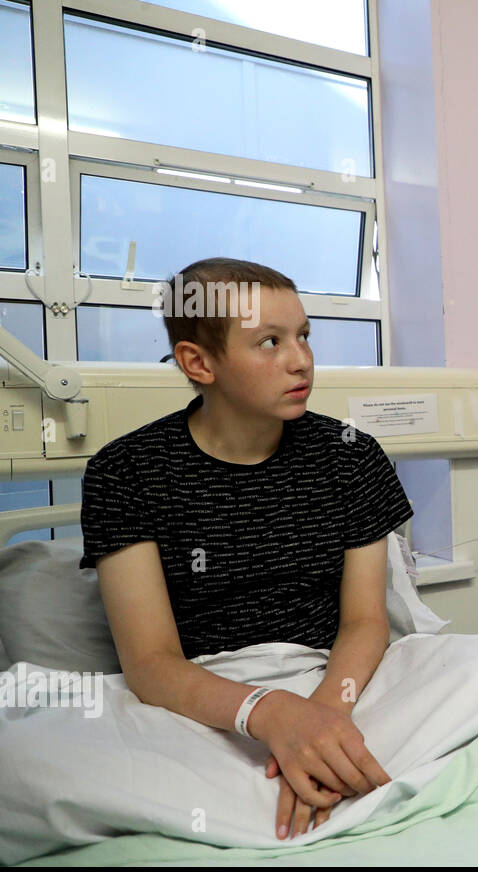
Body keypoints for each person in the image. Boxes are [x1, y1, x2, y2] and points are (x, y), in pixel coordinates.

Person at [78, 258, 414, 842]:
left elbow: (364, 621)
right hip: (205, 696)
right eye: (269, 342)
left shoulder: (351, 456)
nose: (300, 359)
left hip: (337, 677)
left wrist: (323, 718)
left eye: (304, 336)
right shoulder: (125, 472)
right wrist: (274, 715)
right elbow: (151, 665)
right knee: (35, 763)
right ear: (198, 362)